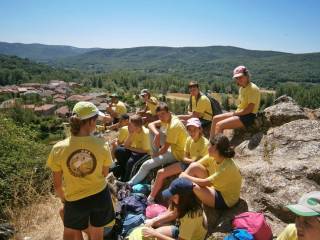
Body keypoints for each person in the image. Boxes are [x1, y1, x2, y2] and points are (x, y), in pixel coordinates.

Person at [47, 101, 115, 240]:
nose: (96, 123)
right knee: (97, 235)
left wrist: (65, 201)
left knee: (73, 233)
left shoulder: (58, 148)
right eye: (96, 120)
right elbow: (104, 174)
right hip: (100, 196)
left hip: (74, 199)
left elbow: (58, 185)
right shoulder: (102, 145)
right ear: (90, 122)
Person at [147, 117, 209, 203]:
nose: (192, 132)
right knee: (160, 172)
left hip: (198, 168)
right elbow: (184, 157)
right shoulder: (189, 139)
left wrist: (192, 161)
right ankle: (150, 199)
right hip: (188, 164)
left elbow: (203, 164)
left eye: (194, 129)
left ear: (200, 129)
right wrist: (193, 161)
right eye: (190, 130)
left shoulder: (205, 143)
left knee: (179, 182)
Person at [127, 102, 188, 186]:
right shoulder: (170, 118)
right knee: (152, 131)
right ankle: (153, 155)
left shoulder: (174, 126)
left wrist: (156, 156)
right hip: (173, 147)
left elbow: (165, 149)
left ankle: (129, 184)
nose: (161, 117)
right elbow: (150, 124)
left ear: (168, 112)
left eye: (163, 114)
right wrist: (157, 134)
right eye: (159, 115)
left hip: (178, 154)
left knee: (146, 165)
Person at [180, 134, 242, 209]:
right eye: (209, 145)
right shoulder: (213, 156)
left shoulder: (226, 168)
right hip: (216, 187)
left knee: (193, 185)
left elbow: (204, 183)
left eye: (212, 147)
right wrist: (184, 177)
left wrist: (186, 176)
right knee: (194, 166)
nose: (208, 148)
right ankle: (178, 193)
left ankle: (180, 201)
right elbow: (195, 165)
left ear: (220, 151)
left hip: (225, 199)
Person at [142, 178, 207, 240]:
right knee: (150, 235)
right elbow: (173, 213)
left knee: (154, 236)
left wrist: (155, 234)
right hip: (181, 229)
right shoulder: (185, 204)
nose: (171, 198)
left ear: (184, 198)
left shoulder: (191, 216)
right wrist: (153, 221)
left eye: (174, 196)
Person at [210, 66, 260, 138]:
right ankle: (211, 143)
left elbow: (249, 110)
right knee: (215, 119)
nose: (239, 79)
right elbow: (241, 105)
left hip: (248, 116)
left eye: (240, 77)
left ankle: (218, 148)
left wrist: (235, 113)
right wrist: (235, 113)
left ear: (246, 75)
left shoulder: (253, 88)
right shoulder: (242, 88)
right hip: (240, 113)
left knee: (220, 125)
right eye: (237, 78)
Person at [113, 114, 151, 181]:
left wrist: (130, 148)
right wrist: (130, 134)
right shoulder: (134, 131)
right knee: (119, 150)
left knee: (131, 162)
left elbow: (145, 150)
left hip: (147, 154)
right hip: (137, 150)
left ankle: (127, 180)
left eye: (130, 124)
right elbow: (126, 145)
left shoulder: (145, 133)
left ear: (136, 127)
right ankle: (124, 171)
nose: (128, 125)